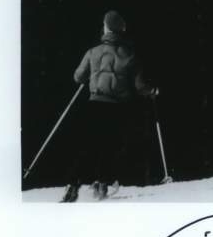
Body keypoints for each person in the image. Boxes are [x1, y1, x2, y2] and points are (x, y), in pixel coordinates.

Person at [61, 10, 156, 202]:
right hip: (117, 108)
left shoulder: (93, 52)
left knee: (88, 145)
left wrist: (92, 74)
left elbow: (78, 77)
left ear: (106, 28)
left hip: (95, 104)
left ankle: (73, 184)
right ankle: (101, 184)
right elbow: (140, 86)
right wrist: (152, 91)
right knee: (110, 147)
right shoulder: (130, 56)